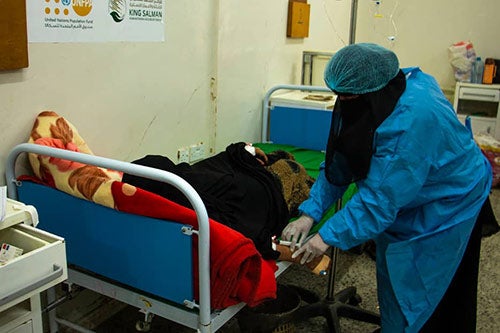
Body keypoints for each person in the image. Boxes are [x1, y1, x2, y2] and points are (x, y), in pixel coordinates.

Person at [281, 43, 492, 332]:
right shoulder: (385, 88)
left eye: (348, 97)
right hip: (413, 193)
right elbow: (341, 158)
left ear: (369, 94)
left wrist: (325, 237)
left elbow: (378, 200)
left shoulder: (410, 123)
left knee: (427, 285)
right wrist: (310, 212)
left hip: (451, 201)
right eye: (339, 97)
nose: (342, 103)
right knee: (395, 270)